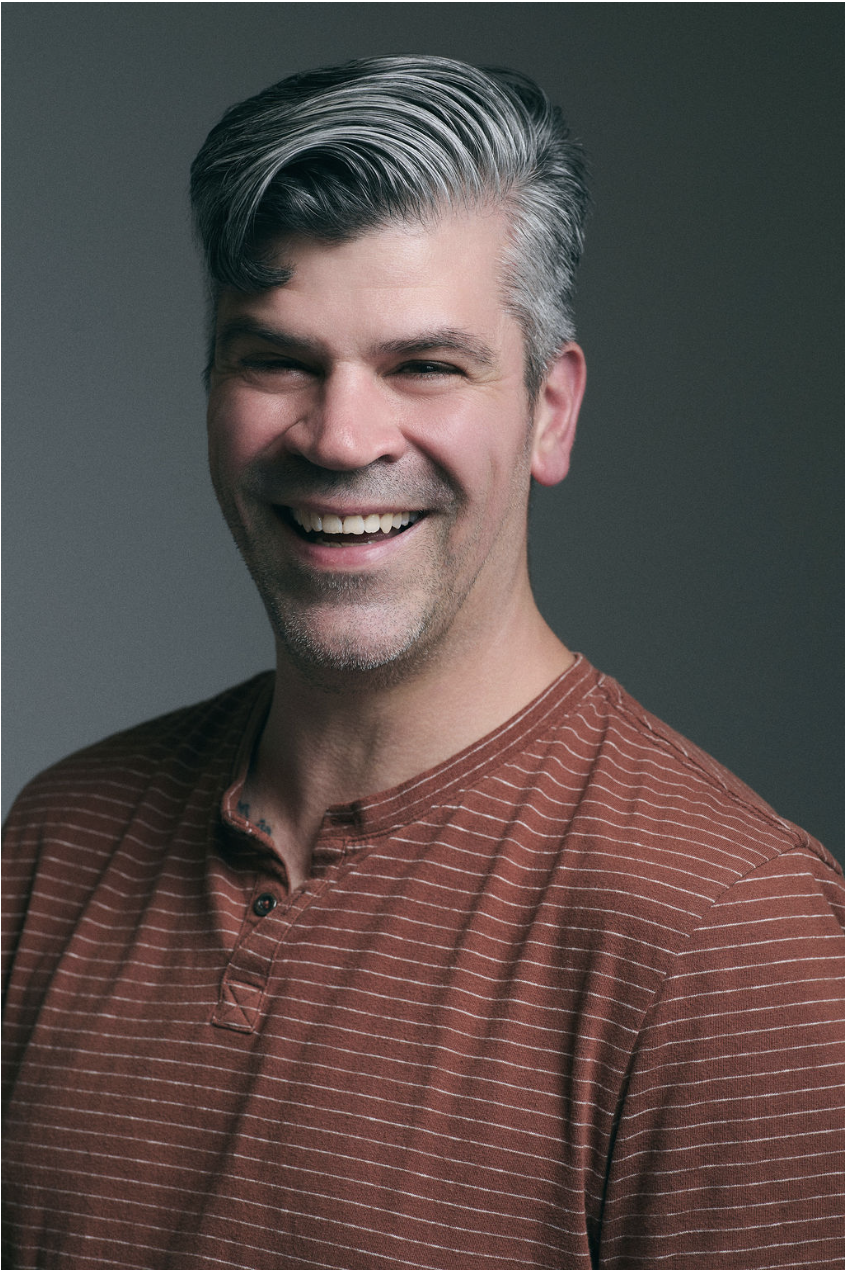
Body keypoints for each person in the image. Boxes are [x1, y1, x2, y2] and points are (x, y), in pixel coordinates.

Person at [3, 55, 842, 1270]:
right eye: (278, 359)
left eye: (425, 365)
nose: (342, 437)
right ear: (209, 390)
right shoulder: (53, 844)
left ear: (550, 410)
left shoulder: (730, 940)